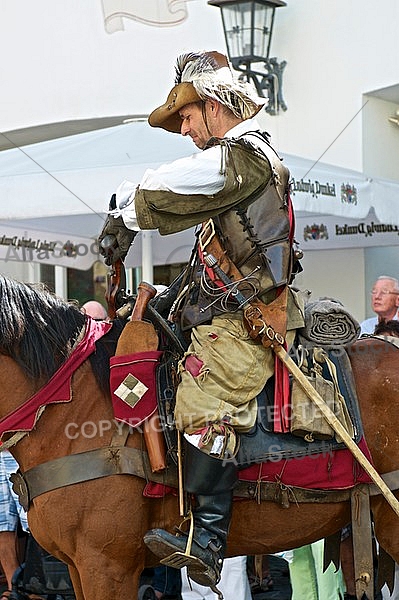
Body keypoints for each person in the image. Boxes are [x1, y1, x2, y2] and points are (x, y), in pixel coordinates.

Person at [98, 50, 304, 592]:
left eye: (187, 118)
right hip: (221, 310)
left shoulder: (245, 155)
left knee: (198, 404)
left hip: (248, 321)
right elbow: (180, 208)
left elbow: (173, 182)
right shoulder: (229, 166)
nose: (185, 130)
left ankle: (209, 541)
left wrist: (122, 209)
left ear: (213, 108)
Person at [0, 450, 29, 599]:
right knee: (1, 525)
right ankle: (14, 590)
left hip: (17, 448)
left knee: (32, 520)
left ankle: (41, 587)